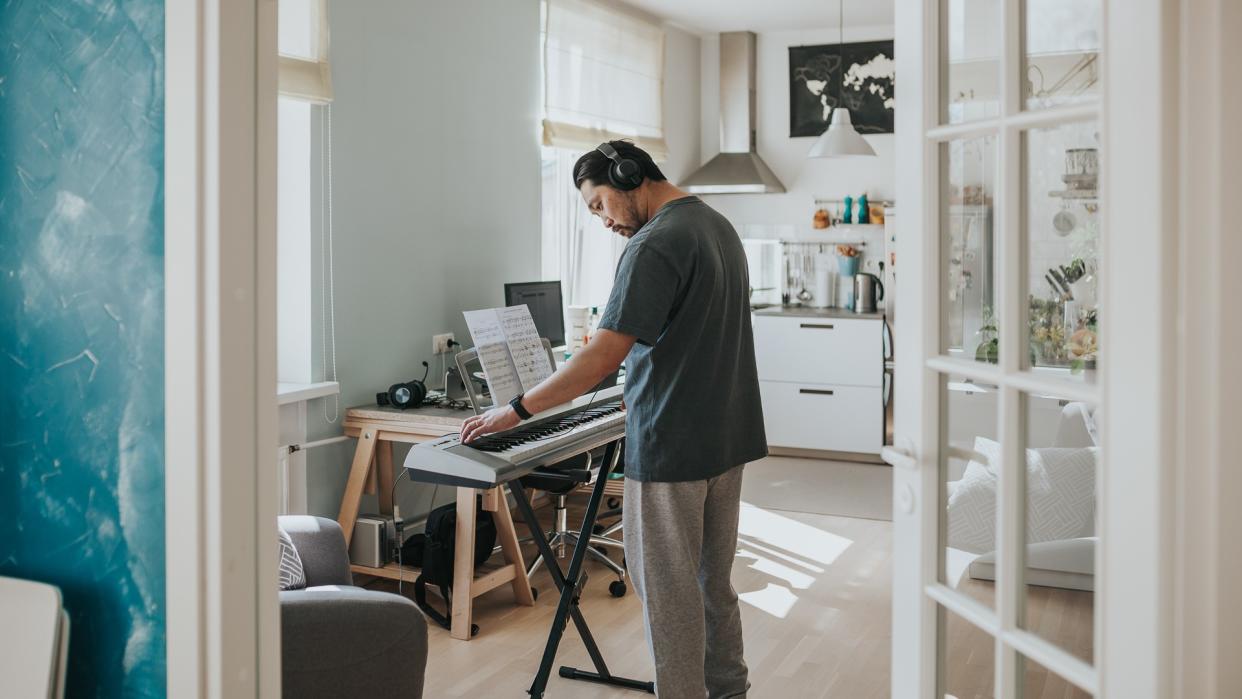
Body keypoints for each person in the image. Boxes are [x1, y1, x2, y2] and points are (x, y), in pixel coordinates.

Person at [459, 140, 766, 698]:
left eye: (599, 204)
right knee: (711, 586)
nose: (602, 220)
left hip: (672, 444)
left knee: (668, 592)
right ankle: (728, 691)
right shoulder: (717, 227)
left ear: (630, 178)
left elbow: (603, 356)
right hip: (727, 436)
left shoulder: (654, 243)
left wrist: (517, 409)